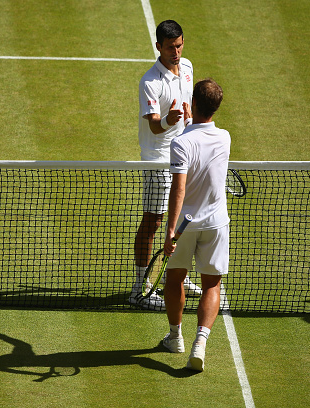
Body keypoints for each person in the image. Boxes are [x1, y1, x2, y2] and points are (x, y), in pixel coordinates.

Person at [129, 20, 202, 310]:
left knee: (183, 217)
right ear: (159, 47)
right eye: (171, 47)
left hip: (184, 154)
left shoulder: (187, 67)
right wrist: (169, 121)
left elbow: (187, 105)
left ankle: (177, 274)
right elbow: (155, 127)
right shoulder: (150, 82)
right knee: (154, 221)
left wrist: (187, 118)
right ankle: (138, 288)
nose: (177, 51)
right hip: (157, 157)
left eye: (180, 45)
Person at [161, 79, 230, 372]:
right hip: (215, 224)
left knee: (175, 278)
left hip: (185, 226)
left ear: (193, 101)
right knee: (211, 284)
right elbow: (201, 135)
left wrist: (170, 231)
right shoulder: (225, 137)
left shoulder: (181, 142)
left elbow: (178, 189)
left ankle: (176, 337)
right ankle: (200, 342)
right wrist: (192, 121)